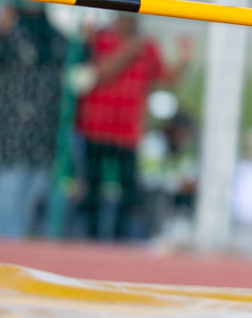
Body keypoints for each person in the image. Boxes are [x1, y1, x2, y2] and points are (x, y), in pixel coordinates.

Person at [75, 15, 191, 241]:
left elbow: (168, 78)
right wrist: (127, 52)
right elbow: (96, 74)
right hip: (96, 127)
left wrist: (184, 59)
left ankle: (119, 240)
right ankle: (90, 238)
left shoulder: (147, 46)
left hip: (127, 131)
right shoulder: (99, 41)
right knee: (92, 186)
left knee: (128, 191)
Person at [0, 1, 67, 239]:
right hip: (10, 132)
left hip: (44, 131)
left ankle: (13, 249)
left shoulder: (55, 36)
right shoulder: (8, 32)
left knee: (32, 194)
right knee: (7, 191)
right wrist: (0, 31)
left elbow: (76, 61)